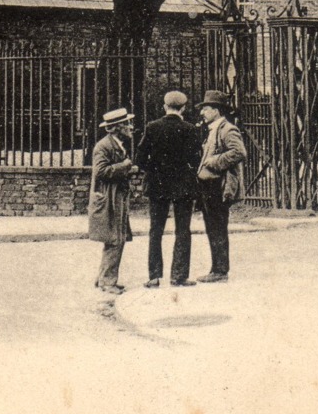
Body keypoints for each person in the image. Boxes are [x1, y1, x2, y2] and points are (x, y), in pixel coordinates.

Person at [135, 90, 201, 289]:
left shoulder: (152, 127)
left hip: (158, 185)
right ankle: (179, 276)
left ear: (165, 107)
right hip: (183, 186)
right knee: (183, 230)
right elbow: (196, 159)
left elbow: (140, 159)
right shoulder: (190, 129)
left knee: (155, 230)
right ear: (183, 108)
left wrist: (154, 171)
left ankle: (154, 276)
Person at [195, 90, 247, 283]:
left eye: (206, 109)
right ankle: (216, 268)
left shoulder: (227, 129)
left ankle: (220, 270)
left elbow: (239, 152)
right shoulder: (214, 129)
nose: (202, 113)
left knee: (217, 227)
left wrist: (214, 161)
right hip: (209, 186)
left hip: (219, 186)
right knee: (213, 227)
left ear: (216, 110)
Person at [87, 107, 137, 295]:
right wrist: (124, 167)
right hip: (109, 198)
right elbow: (101, 172)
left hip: (117, 197)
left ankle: (104, 278)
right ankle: (107, 282)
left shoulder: (114, 143)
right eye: (127, 124)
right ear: (116, 127)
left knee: (117, 237)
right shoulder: (104, 146)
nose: (131, 127)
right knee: (114, 239)